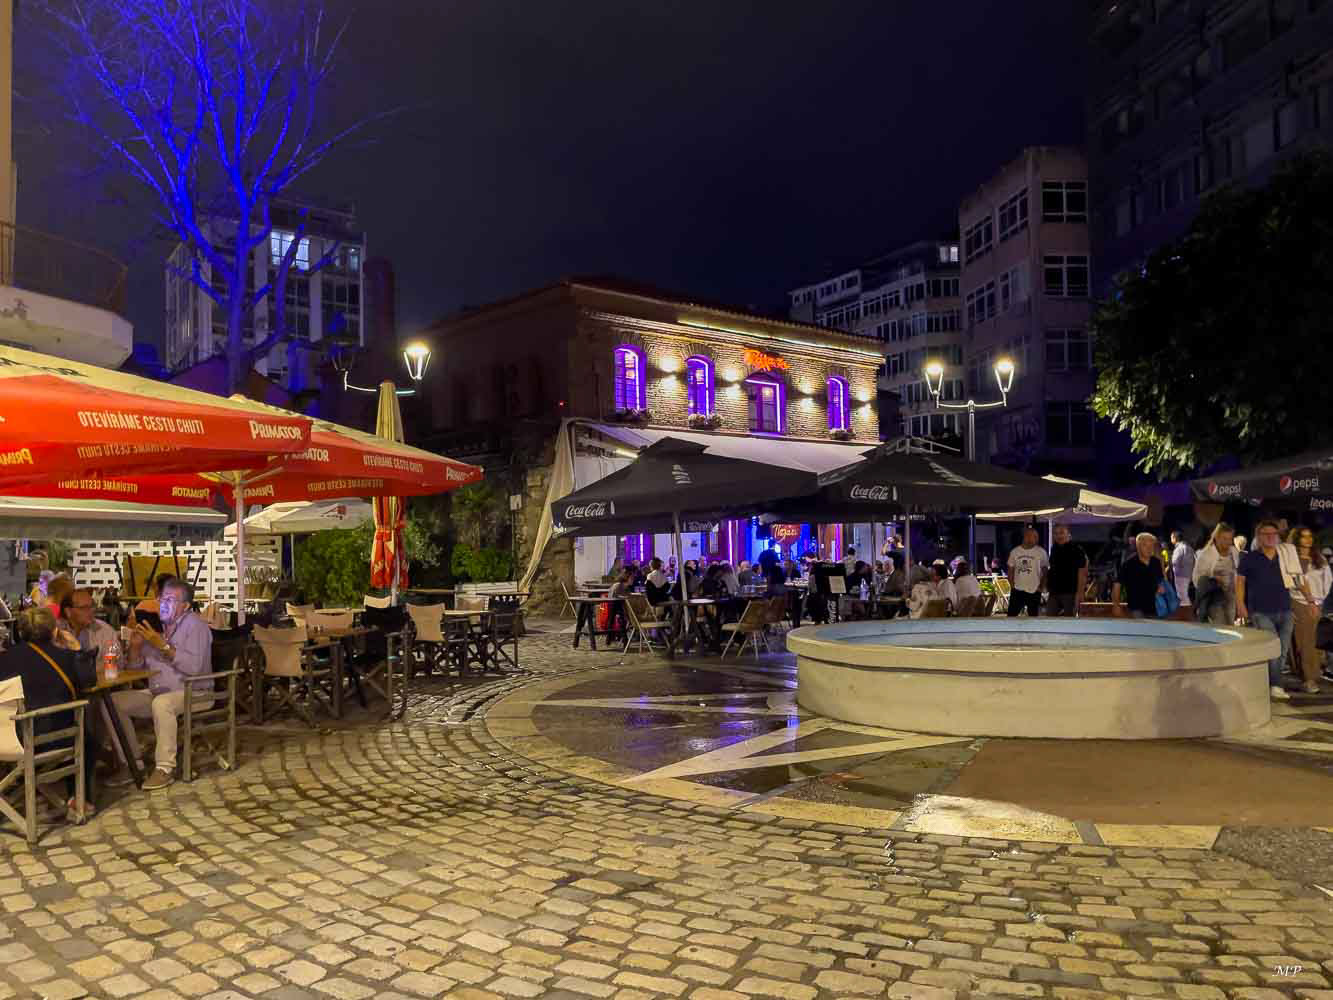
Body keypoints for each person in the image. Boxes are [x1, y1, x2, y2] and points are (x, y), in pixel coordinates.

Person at [109, 578, 214, 790]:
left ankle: (165, 768)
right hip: (159, 691)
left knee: (162, 704)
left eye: (170, 600)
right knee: (113, 702)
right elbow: (137, 669)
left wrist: (164, 646)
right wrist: (136, 648)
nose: (163, 604)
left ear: (184, 605)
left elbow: (194, 668)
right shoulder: (157, 627)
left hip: (195, 692)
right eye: (161, 599)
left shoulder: (196, 626)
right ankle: (132, 763)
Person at [0, 607, 98, 818]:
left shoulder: (4, 659)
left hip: (6, 738)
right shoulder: (66, 658)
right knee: (88, 739)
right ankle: (79, 798)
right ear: (54, 631)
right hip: (47, 739)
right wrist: (77, 648)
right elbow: (89, 682)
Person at [1237, 519, 1306, 702]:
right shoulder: (1250, 558)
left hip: (1284, 609)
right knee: (1273, 647)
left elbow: (1299, 580)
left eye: (1273, 534)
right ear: (1258, 537)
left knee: (1282, 650)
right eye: (1265, 534)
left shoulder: (1285, 557)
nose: (1270, 537)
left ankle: (1270, 683)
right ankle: (1275, 685)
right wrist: (1240, 605)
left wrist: (1311, 600)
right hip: (1260, 611)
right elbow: (1240, 582)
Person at [1287, 526, 1329, 695]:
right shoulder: (1293, 559)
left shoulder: (1318, 558)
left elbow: (1328, 580)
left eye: (1310, 536)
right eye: (1304, 537)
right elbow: (1294, 582)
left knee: (1316, 641)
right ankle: (1309, 678)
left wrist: (1320, 601)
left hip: (1318, 602)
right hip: (1299, 602)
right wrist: (1310, 601)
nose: (1308, 540)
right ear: (1297, 539)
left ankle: (1313, 674)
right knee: (1305, 642)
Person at [1192, 522, 1240, 625]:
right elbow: (1197, 578)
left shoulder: (1234, 552)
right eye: (1224, 538)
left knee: (1230, 624)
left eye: (1230, 539)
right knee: (1221, 624)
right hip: (1215, 595)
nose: (1228, 542)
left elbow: (1237, 571)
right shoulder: (1206, 554)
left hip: (1231, 594)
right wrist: (1215, 578)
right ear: (1216, 538)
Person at [1112, 532, 1167, 620]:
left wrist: (1162, 588)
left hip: (1156, 607)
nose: (1149, 549)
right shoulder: (1129, 564)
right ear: (1138, 546)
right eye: (1145, 546)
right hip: (1137, 607)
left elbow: (1161, 581)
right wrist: (1116, 605)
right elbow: (1117, 585)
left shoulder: (1156, 562)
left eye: (1151, 546)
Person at [58, 588, 117, 659]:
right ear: (68, 612)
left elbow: (116, 662)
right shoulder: (55, 631)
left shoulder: (106, 631)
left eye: (92, 606)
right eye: (84, 608)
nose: (90, 611)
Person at [1046, 524, 1089, 617]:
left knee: (1068, 620)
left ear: (1068, 534)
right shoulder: (1054, 549)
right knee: (1049, 619)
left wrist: (1080, 593)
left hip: (1070, 592)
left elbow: (1082, 572)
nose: (1058, 536)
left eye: (1061, 533)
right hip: (1054, 591)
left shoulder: (1077, 550)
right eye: (1056, 533)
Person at [1006, 526, 1048, 618]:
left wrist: (1041, 586)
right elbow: (1010, 569)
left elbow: (1045, 571)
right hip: (1017, 589)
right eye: (1031, 536)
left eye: (1036, 537)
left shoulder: (1041, 552)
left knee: (1033, 616)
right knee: (1011, 616)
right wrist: (1012, 584)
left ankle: (1033, 632)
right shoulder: (1015, 552)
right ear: (1025, 537)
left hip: (1034, 589)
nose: (1034, 539)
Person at [1169, 531, 1195, 608]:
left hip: (1180, 574)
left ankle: (1186, 612)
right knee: (1184, 594)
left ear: (1174, 538)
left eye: (1171, 538)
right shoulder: (1189, 548)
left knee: (1182, 595)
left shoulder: (1179, 548)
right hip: (1189, 573)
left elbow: (1175, 561)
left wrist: (1169, 563)